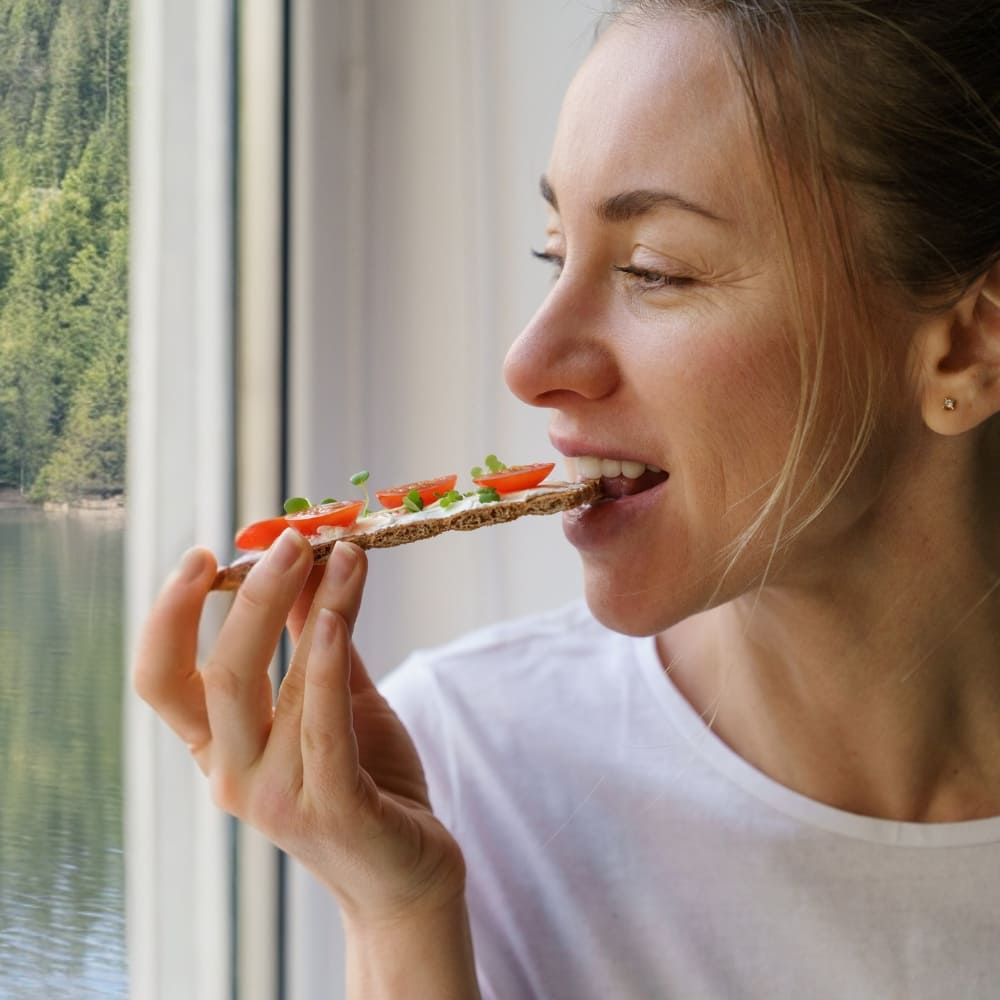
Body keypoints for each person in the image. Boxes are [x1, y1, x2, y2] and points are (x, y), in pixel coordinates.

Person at [135, 1, 1000, 996]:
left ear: (967, 347)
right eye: (552, 253)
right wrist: (399, 914)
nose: (529, 363)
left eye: (653, 270)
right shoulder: (458, 764)